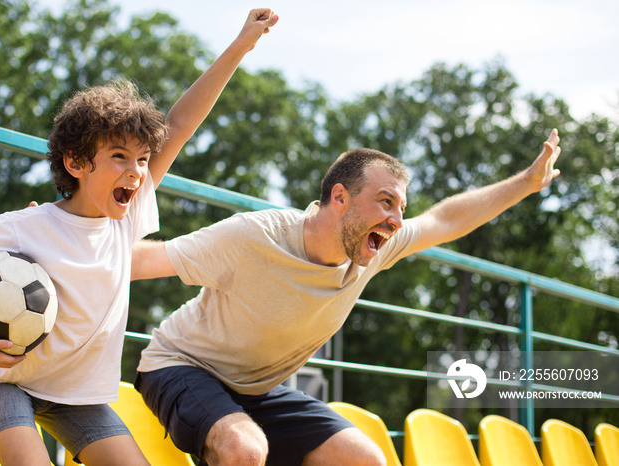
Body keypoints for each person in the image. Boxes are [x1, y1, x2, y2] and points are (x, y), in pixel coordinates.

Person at [0, 8, 278, 466]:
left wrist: (241, 45)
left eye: (143, 159)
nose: (136, 171)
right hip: (6, 384)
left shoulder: (124, 219)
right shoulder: (25, 225)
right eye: (119, 156)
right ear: (75, 162)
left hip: (77, 398)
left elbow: (182, 124)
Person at [131, 130, 562, 465]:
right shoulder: (253, 236)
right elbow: (142, 262)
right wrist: (69, 255)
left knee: (364, 458)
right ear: (340, 197)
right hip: (181, 366)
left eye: (400, 208)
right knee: (244, 451)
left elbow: (444, 219)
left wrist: (527, 182)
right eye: (385, 202)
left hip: (255, 389)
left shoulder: (375, 248)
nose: (396, 220)